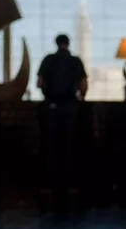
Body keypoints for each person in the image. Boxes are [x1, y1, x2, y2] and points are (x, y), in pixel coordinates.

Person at [36, 34, 88, 199]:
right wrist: (81, 97)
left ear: (56, 43)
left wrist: (47, 94)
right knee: (69, 144)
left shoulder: (48, 60)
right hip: (70, 107)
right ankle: (70, 184)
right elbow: (83, 84)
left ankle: (50, 184)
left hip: (51, 107)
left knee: (50, 145)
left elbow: (39, 82)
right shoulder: (76, 61)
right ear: (68, 43)